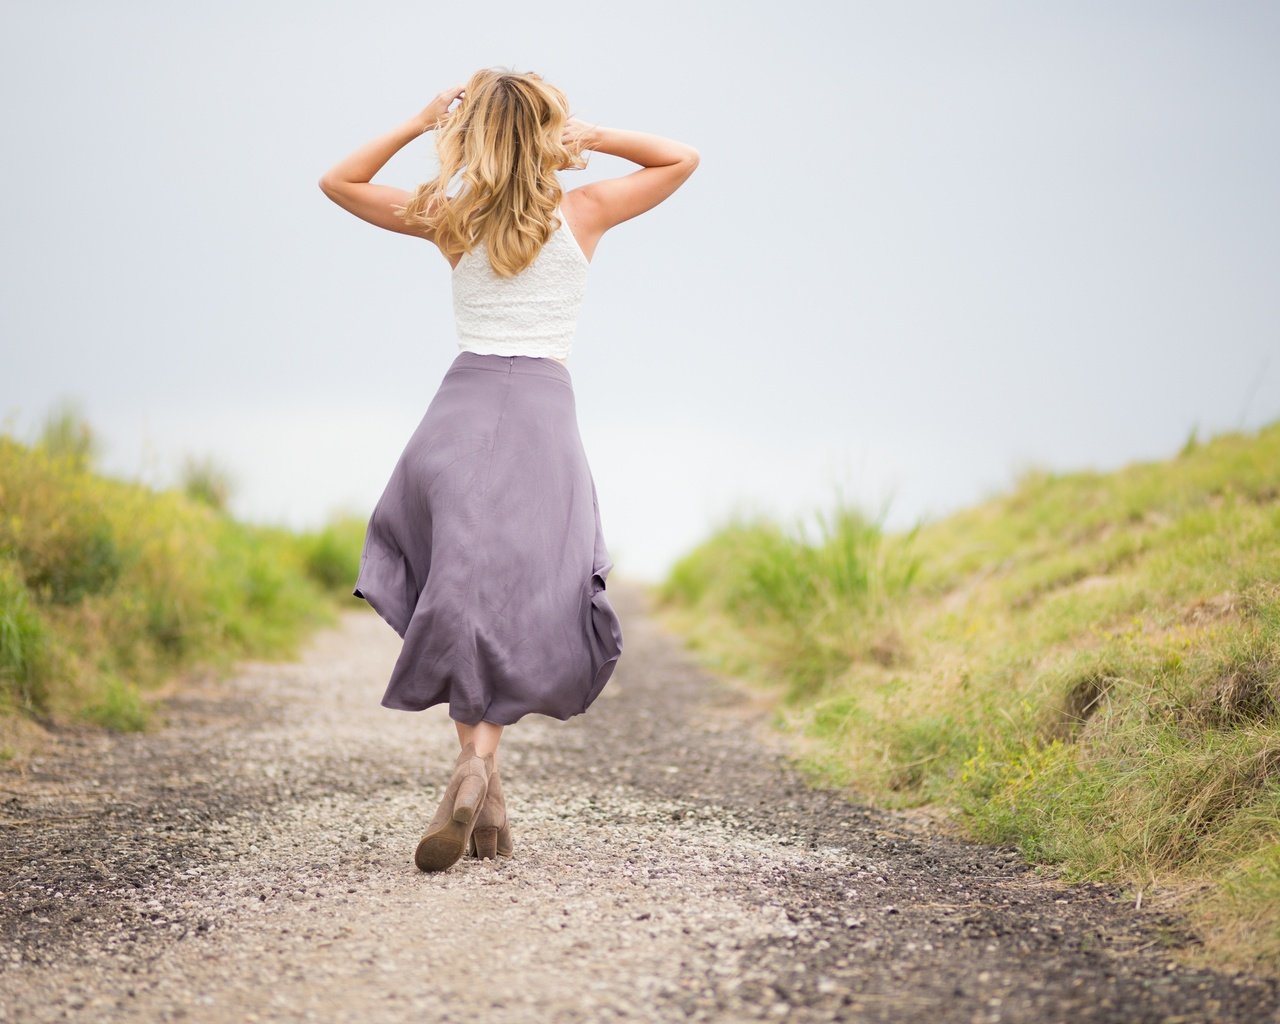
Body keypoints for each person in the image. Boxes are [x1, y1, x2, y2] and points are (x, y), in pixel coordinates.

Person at [318, 67, 700, 872]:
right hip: (541, 418)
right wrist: (589, 141)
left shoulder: (449, 215)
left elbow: (338, 181)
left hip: (457, 416)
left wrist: (419, 122)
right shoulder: (588, 209)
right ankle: (478, 768)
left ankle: (477, 778)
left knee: (461, 590)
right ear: (547, 133)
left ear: (477, 138)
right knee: (518, 598)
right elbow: (680, 158)